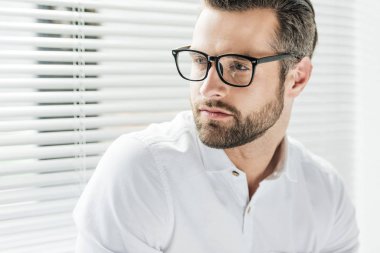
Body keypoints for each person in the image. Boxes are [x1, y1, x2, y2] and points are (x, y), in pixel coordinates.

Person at [73, 0, 359, 252]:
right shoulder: (142, 170)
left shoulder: (326, 193)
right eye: (200, 60)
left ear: (297, 78)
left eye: (238, 66)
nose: (207, 89)